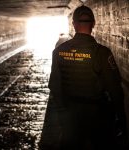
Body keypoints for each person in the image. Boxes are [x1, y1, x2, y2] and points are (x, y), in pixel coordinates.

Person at [40, 5, 127, 150]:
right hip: (98, 117)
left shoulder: (58, 51)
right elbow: (115, 91)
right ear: (93, 24)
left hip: (70, 116)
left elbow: (54, 86)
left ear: (74, 24)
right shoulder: (102, 53)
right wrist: (122, 121)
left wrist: (63, 114)